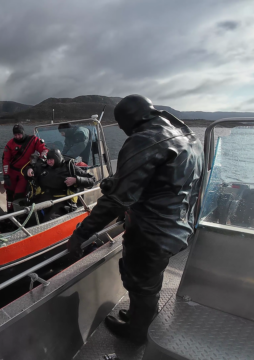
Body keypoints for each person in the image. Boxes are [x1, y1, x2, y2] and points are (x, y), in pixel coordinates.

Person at [66, 94, 203, 343]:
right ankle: (138, 316)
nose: (123, 130)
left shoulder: (145, 141)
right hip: (178, 226)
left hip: (152, 231)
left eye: (121, 125)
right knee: (150, 279)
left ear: (130, 120)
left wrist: (80, 234)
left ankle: (137, 333)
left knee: (143, 284)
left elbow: (117, 200)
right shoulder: (188, 137)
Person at [25, 148, 96, 221]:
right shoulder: (44, 167)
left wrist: (76, 180)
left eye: (51, 159)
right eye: (48, 159)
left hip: (63, 202)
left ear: (57, 158)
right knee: (30, 218)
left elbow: (92, 179)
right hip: (44, 199)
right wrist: (29, 169)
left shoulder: (70, 168)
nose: (49, 162)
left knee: (50, 219)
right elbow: (31, 169)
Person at [2, 124, 48, 213]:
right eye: (15, 135)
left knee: (19, 194)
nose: (17, 137)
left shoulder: (33, 140)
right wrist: (6, 175)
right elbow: (5, 160)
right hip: (12, 172)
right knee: (10, 194)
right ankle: (10, 213)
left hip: (25, 172)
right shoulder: (10, 144)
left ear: (23, 133)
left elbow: (44, 150)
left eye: (19, 134)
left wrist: (42, 158)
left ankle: (20, 214)